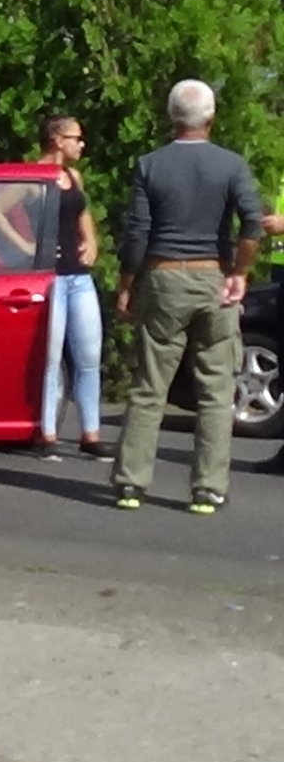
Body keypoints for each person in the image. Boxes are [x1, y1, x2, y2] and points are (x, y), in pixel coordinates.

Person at [110, 80, 264, 513]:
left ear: (171, 117)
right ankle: (208, 489)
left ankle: (130, 484)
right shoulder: (231, 166)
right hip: (212, 278)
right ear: (211, 118)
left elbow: (137, 233)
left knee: (149, 386)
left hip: (162, 277)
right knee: (216, 389)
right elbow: (252, 223)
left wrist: (126, 285)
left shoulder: (149, 165)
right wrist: (239, 273)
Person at [0, 116, 114, 460]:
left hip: (78, 275)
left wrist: (91, 241)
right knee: (51, 356)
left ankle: (91, 432)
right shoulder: (34, 177)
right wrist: (26, 246)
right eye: (76, 138)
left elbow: (82, 214)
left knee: (88, 355)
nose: (80, 145)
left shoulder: (73, 176)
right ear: (57, 139)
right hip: (50, 276)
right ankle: (47, 432)